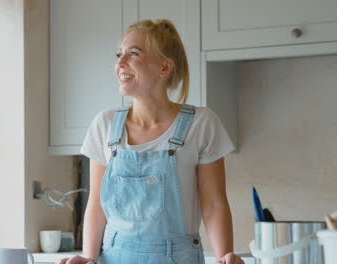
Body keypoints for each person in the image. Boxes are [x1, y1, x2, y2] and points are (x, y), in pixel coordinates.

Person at [58, 19, 244, 264]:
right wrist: (88, 258)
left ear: (164, 68)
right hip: (113, 256)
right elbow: (97, 203)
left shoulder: (202, 123)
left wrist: (224, 257)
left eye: (133, 54)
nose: (120, 63)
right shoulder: (104, 124)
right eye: (119, 54)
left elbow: (214, 204)